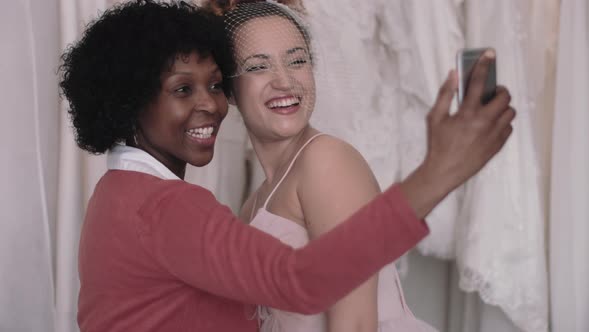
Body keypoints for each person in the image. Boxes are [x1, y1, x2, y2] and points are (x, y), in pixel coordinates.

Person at [58, 1, 515, 331]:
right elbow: (298, 282)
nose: (207, 104)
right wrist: (438, 173)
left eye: (297, 60)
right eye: (182, 90)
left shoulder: (323, 161)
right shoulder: (172, 206)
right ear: (130, 100)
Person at [206, 1, 436, 330]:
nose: (284, 81)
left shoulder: (326, 161)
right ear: (228, 89)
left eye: (297, 61)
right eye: (258, 67)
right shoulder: (252, 206)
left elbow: (355, 323)